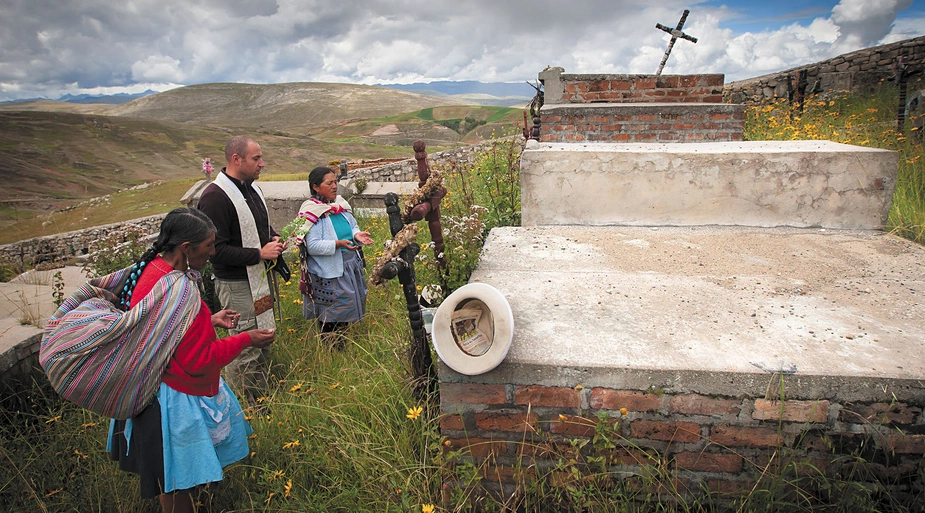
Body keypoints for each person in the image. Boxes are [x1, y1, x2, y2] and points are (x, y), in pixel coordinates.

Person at [107, 207, 276, 513]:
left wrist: (207, 321)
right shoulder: (181, 289)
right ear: (186, 248)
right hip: (171, 401)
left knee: (168, 477)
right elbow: (199, 360)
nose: (213, 252)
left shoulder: (152, 273)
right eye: (208, 245)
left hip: (148, 391)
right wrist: (246, 339)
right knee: (178, 482)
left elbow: (165, 333)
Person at [197, 136, 286, 400]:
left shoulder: (251, 189)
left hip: (258, 280)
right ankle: (245, 403)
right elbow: (215, 250)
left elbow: (259, 227)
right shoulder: (215, 197)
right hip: (237, 284)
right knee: (244, 343)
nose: (262, 163)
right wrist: (259, 253)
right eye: (256, 158)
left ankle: (262, 396)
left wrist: (273, 237)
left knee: (263, 336)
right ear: (236, 159)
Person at [298, 166, 374, 348]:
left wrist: (356, 235)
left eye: (335, 182)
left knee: (345, 307)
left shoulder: (339, 205)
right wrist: (337, 244)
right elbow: (312, 246)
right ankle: (332, 348)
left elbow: (352, 226)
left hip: (348, 266)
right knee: (332, 311)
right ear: (315, 187)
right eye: (329, 183)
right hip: (329, 271)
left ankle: (342, 344)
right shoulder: (313, 212)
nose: (334, 186)